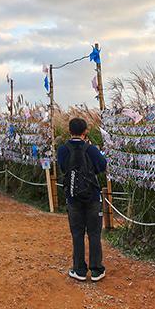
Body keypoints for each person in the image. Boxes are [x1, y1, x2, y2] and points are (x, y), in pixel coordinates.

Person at [57, 118, 108, 281]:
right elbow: (102, 166)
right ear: (85, 131)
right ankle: (96, 270)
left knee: (77, 233)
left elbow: (64, 168)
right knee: (94, 233)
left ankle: (79, 270)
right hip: (92, 196)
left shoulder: (63, 149)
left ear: (69, 131)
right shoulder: (91, 149)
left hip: (72, 197)